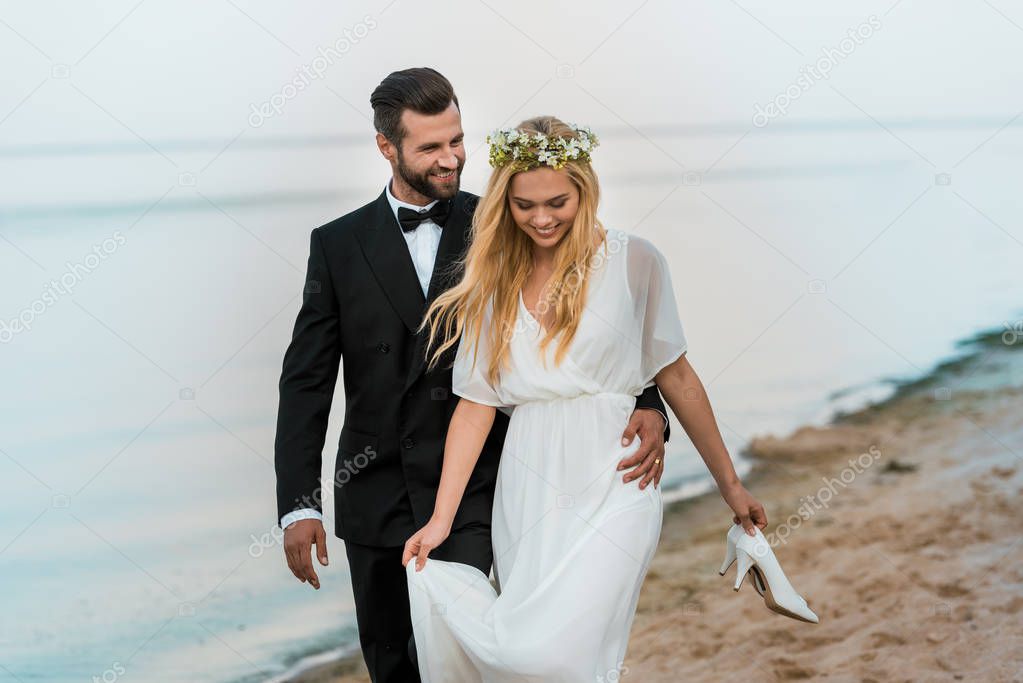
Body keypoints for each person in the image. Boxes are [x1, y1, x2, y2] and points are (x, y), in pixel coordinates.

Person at [273, 68, 674, 683]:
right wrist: (299, 505)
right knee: (394, 662)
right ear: (387, 147)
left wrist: (649, 399)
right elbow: (306, 380)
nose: (452, 158)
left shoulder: (507, 221)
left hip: (485, 485)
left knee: (490, 654)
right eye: (431, 147)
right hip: (373, 489)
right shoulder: (337, 244)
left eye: (457, 140)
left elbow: (599, 312)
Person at [403, 115, 767, 681]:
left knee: (558, 653)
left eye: (558, 202)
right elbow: (475, 406)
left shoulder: (635, 260)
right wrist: (441, 519)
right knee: (540, 651)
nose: (542, 218)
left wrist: (731, 485)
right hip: (528, 488)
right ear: (506, 202)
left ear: (585, 191)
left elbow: (678, 379)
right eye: (525, 205)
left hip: (618, 479)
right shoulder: (492, 280)